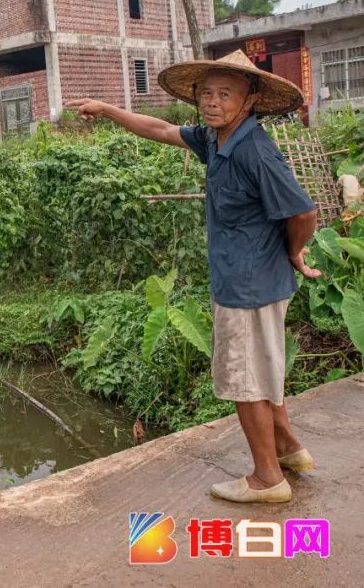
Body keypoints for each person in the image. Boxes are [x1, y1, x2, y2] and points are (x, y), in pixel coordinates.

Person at [65, 50, 319, 503]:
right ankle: (288, 451)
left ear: (249, 101)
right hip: (247, 280)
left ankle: (267, 479)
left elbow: (303, 210)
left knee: (247, 381)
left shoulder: (254, 151)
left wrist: (294, 251)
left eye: (225, 94)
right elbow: (161, 129)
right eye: (206, 93)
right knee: (264, 370)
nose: (212, 102)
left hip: (250, 287)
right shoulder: (217, 139)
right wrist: (107, 110)